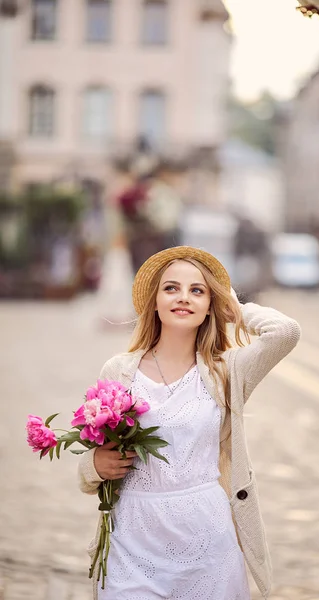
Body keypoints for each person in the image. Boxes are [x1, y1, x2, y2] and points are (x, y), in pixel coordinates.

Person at [78, 245, 301, 600]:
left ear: (211, 306)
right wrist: (94, 465)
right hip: (133, 537)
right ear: (154, 301)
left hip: (206, 539)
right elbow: (93, 456)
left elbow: (285, 333)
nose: (183, 298)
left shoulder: (226, 371)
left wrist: (237, 309)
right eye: (171, 288)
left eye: (197, 290)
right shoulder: (119, 371)